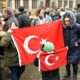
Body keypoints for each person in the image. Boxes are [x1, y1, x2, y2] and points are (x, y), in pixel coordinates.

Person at [62, 13, 80, 80]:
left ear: (72, 20)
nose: (67, 23)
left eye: (68, 21)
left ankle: (75, 76)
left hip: (75, 49)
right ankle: (68, 74)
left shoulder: (77, 26)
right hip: (66, 49)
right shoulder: (63, 28)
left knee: (75, 64)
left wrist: (78, 42)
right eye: (65, 21)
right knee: (67, 63)